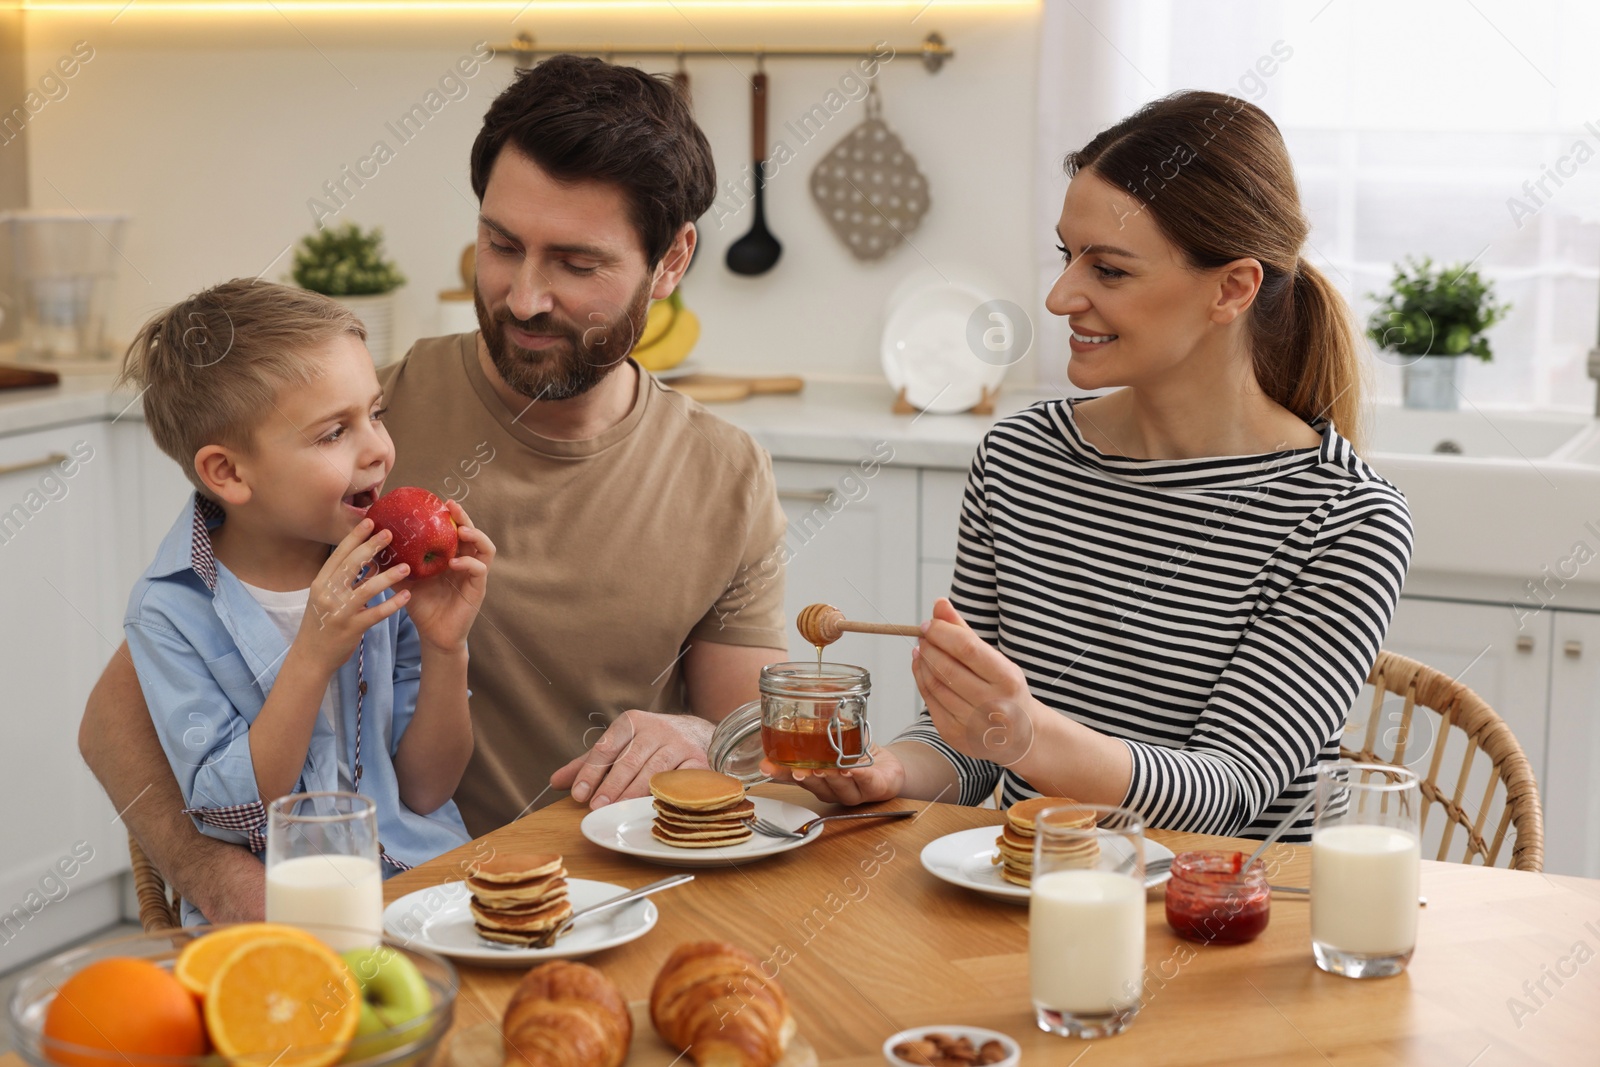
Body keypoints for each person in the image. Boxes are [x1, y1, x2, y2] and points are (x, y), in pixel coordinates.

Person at [79, 55, 789, 922]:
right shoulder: (356, 428)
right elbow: (121, 710)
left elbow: (768, 747)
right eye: (500, 245)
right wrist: (227, 882)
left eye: (575, 263)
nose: (524, 297)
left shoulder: (725, 472)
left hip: (626, 906)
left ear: (671, 260)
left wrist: (708, 738)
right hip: (416, 906)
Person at [780, 91, 1413, 842]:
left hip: (1219, 921)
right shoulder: (1019, 459)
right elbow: (974, 745)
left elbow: (1231, 789)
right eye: (1065, 255)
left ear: (1232, 288)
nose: (1058, 296)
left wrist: (1026, 733)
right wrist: (891, 769)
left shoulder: (1344, 519)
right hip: (1030, 884)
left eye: (1108, 269)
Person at [117, 280, 496, 922]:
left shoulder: (383, 570)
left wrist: (445, 646)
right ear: (230, 473)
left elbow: (428, 789)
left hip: (423, 886)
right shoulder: (170, 612)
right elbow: (230, 810)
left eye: (375, 413)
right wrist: (312, 656)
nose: (377, 447)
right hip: (282, 921)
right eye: (332, 434)